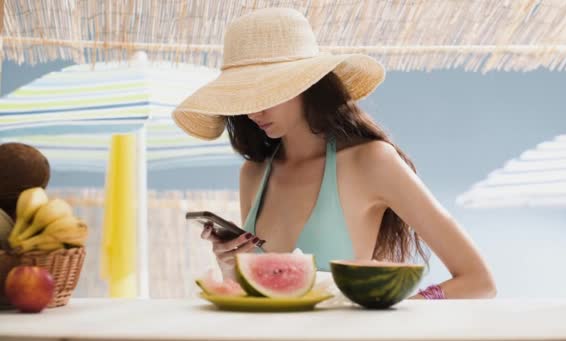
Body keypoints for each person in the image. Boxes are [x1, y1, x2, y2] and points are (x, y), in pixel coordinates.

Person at [173, 8, 496, 299]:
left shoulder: (372, 161)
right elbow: (262, 296)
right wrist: (231, 266)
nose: (253, 111)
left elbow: (478, 280)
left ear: (306, 84)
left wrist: (399, 310)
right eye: (244, 96)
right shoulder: (253, 174)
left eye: (267, 91)